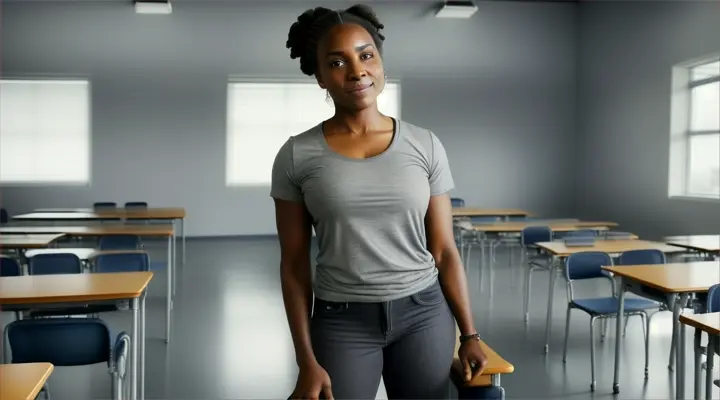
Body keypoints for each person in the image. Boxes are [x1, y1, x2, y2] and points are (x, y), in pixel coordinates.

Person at [271, 4, 487, 399]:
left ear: (381, 62)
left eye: (366, 55)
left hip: (424, 312)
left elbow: (444, 250)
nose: (356, 71)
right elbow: (294, 266)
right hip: (341, 320)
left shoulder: (425, 144)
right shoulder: (296, 156)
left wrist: (470, 334)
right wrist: (306, 360)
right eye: (337, 62)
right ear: (319, 76)